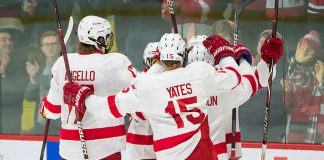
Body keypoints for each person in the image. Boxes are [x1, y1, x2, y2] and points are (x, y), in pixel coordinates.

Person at [63, 33, 257, 160]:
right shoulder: (200, 73)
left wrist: (83, 96)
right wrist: (226, 54)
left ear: (159, 56)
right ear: (185, 54)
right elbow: (235, 77)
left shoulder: (146, 86)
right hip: (203, 154)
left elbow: (108, 109)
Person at [39, 15, 138, 160]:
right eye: (106, 37)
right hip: (106, 149)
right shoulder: (115, 62)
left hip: (69, 151)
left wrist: (43, 106)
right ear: (99, 40)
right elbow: (142, 89)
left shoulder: (63, 64)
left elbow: (52, 111)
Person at [283, 30, 323, 143]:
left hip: (318, 134)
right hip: (297, 134)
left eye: (311, 48)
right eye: (303, 46)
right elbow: (287, 106)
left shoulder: (320, 70)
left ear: (317, 52)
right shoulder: (292, 69)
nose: (305, 50)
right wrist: (289, 93)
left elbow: (305, 80)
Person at [21, 30, 61, 134]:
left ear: (59, 46)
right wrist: (32, 79)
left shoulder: (65, 67)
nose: (50, 47)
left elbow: (54, 87)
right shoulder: (40, 68)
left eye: (53, 44)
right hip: (41, 124)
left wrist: (36, 76)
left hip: (60, 124)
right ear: (42, 48)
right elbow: (29, 97)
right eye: (46, 44)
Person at [125, 42, 160, 160]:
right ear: (147, 61)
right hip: (139, 145)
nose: (159, 65)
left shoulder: (167, 80)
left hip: (160, 144)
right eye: (155, 62)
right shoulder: (138, 80)